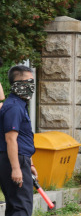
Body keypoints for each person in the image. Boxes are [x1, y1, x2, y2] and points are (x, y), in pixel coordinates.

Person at [0, 65, 38, 216]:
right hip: (14, 160)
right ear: (18, 85)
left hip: (20, 159)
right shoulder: (14, 107)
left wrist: (30, 163)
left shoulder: (19, 105)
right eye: (28, 82)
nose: (31, 86)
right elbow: (10, 139)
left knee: (15, 206)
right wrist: (16, 168)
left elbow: (22, 138)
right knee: (21, 208)